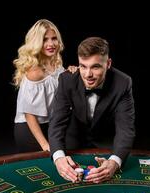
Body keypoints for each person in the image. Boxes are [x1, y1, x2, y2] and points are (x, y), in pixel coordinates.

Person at [48, 37, 135, 183]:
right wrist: (58, 158)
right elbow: (56, 123)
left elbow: (126, 129)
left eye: (95, 67)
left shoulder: (123, 83)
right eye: (83, 66)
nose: (88, 74)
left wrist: (114, 162)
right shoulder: (66, 80)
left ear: (108, 64)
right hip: (73, 144)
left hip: (105, 144)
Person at [13, 19, 76, 153]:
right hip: (30, 129)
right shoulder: (35, 71)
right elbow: (29, 115)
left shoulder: (56, 63)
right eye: (44, 39)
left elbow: (58, 87)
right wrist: (45, 145)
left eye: (54, 39)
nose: (50, 44)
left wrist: (69, 72)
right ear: (36, 43)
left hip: (51, 124)